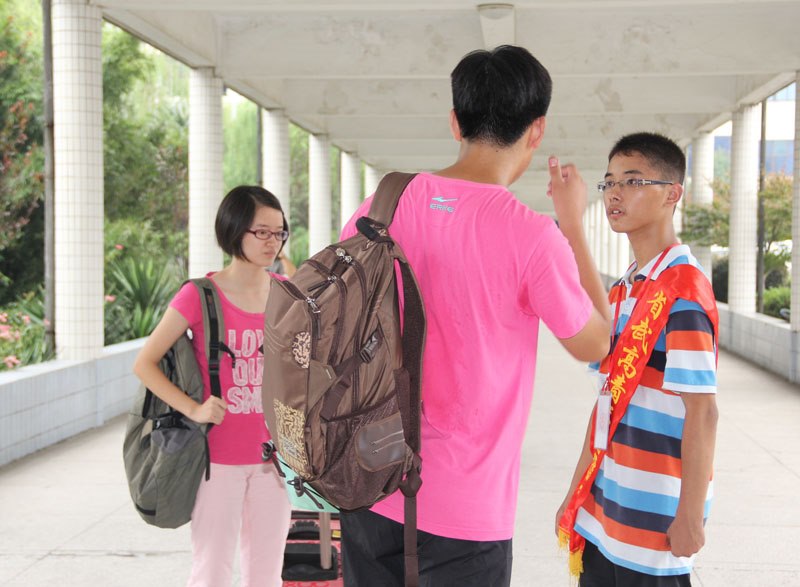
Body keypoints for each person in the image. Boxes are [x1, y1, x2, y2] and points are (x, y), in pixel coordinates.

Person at [338, 45, 611, 586]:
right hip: (466, 509)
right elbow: (596, 344)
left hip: (370, 480)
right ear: (537, 129)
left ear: (454, 122)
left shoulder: (382, 205)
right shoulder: (533, 237)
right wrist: (573, 225)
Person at [555, 132, 720, 587]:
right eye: (609, 182)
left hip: (655, 520)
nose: (615, 193)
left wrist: (691, 516)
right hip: (605, 509)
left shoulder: (684, 291)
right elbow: (607, 401)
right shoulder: (625, 288)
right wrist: (576, 491)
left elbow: (702, 411)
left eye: (632, 181)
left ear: (672, 194)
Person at [133, 186, 292, 587]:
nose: (272, 242)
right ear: (234, 229)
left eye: (279, 233)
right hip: (215, 461)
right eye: (262, 232)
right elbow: (145, 363)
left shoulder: (286, 293)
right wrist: (194, 408)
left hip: (275, 461)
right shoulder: (199, 295)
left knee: (267, 575)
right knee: (211, 573)